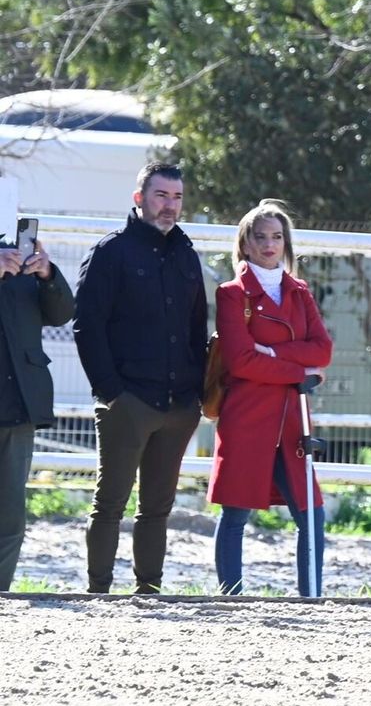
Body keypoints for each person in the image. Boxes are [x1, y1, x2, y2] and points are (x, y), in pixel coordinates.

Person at [74, 161, 207, 594]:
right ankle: (98, 591)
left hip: (179, 404)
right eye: (160, 195)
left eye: (177, 197)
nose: (170, 205)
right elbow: (87, 326)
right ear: (139, 198)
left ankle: (149, 591)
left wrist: (196, 393)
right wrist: (112, 392)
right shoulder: (110, 252)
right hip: (127, 402)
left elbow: (196, 327)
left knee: (157, 508)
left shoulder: (186, 254)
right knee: (109, 503)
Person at [209, 201, 333, 596]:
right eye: (260, 237)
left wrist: (272, 353)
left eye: (277, 237)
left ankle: (311, 597)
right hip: (247, 417)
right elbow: (241, 361)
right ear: (244, 243)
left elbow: (323, 350)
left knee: (311, 514)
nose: (269, 244)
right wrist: (299, 372)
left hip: (293, 421)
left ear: (285, 242)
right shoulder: (231, 295)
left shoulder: (300, 291)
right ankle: (231, 597)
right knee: (236, 513)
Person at [0, 228, 76, 591]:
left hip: (18, 405)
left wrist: (47, 273)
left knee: (10, 516)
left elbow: (61, 313)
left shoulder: (18, 251)